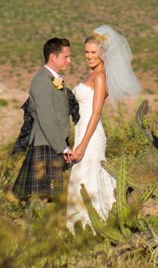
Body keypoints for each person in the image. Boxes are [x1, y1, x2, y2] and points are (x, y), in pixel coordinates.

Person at [65, 25, 141, 230]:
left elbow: (96, 113)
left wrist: (82, 145)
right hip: (81, 131)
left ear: (103, 53)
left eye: (93, 52)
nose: (89, 56)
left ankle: (95, 225)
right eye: (86, 52)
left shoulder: (100, 77)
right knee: (80, 176)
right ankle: (80, 226)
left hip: (91, 135)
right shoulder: (89, 75)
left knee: (88, 176)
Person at [13, 37, 73, 204]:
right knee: (39, 199)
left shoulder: (51, 79)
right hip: (45, 143)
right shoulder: (41, 81)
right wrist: (63, 147)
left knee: (47, 199)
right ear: (53, 57)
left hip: (52, 143)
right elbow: (46, 118)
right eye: (66, 57)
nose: (69, 61)